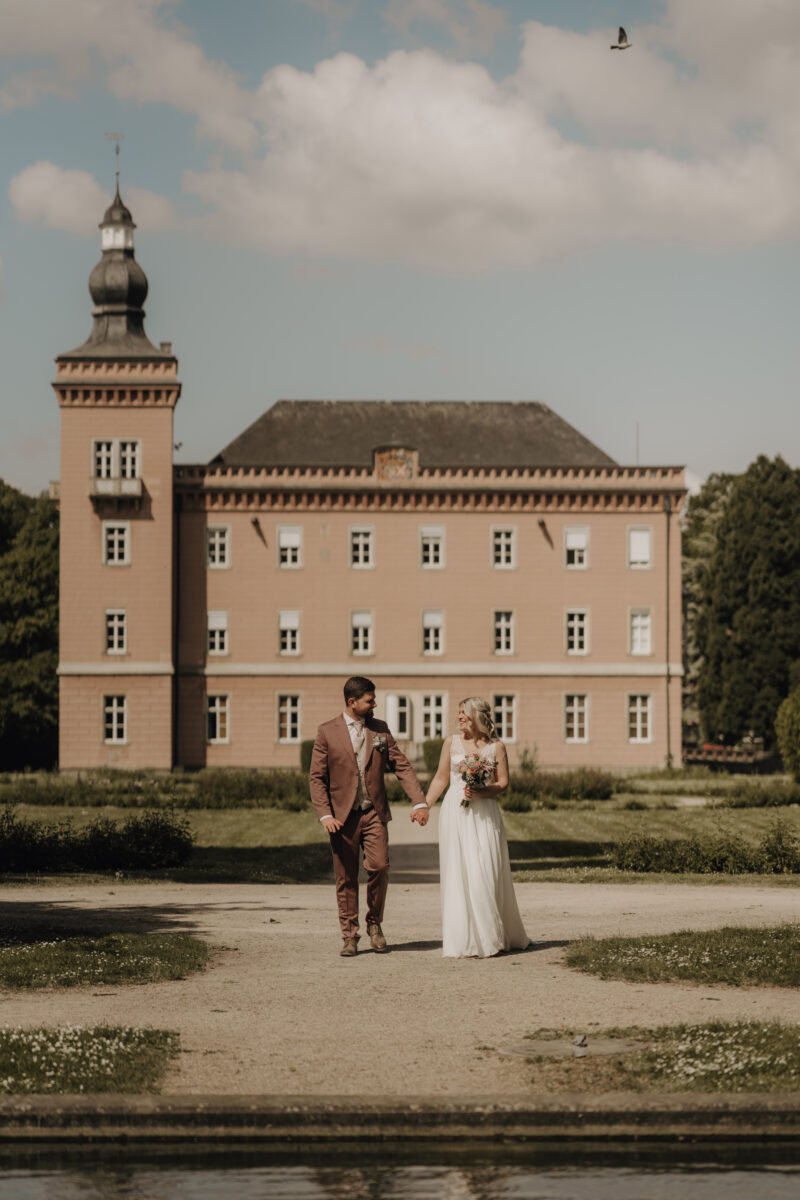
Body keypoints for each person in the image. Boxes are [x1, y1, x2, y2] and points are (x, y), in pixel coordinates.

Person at [309, 675, 428, 957]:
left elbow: (402, 766)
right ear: (352, 702)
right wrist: (325, 814)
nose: (374, 704)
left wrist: (419, 801)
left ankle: (375, 924)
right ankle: (350, 936)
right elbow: (316, 777)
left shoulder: (380, 729)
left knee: (379, 867)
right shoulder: (327, 731)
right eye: (369, 700)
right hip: (342, 816)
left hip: (374, 812)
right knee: (346, 877)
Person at [415, 697, 529, 958]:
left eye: (463, 713)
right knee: (459, 872)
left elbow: (503, 783)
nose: (459, 718)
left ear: (477, 716)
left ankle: (491, 935)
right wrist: (424, 806)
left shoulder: (496, 747)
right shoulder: (451, 743)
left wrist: (483, 791)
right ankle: (464, 938)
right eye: (458, 713)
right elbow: (441, 778)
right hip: (455, 812)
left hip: (485, 813)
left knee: (484, 869)